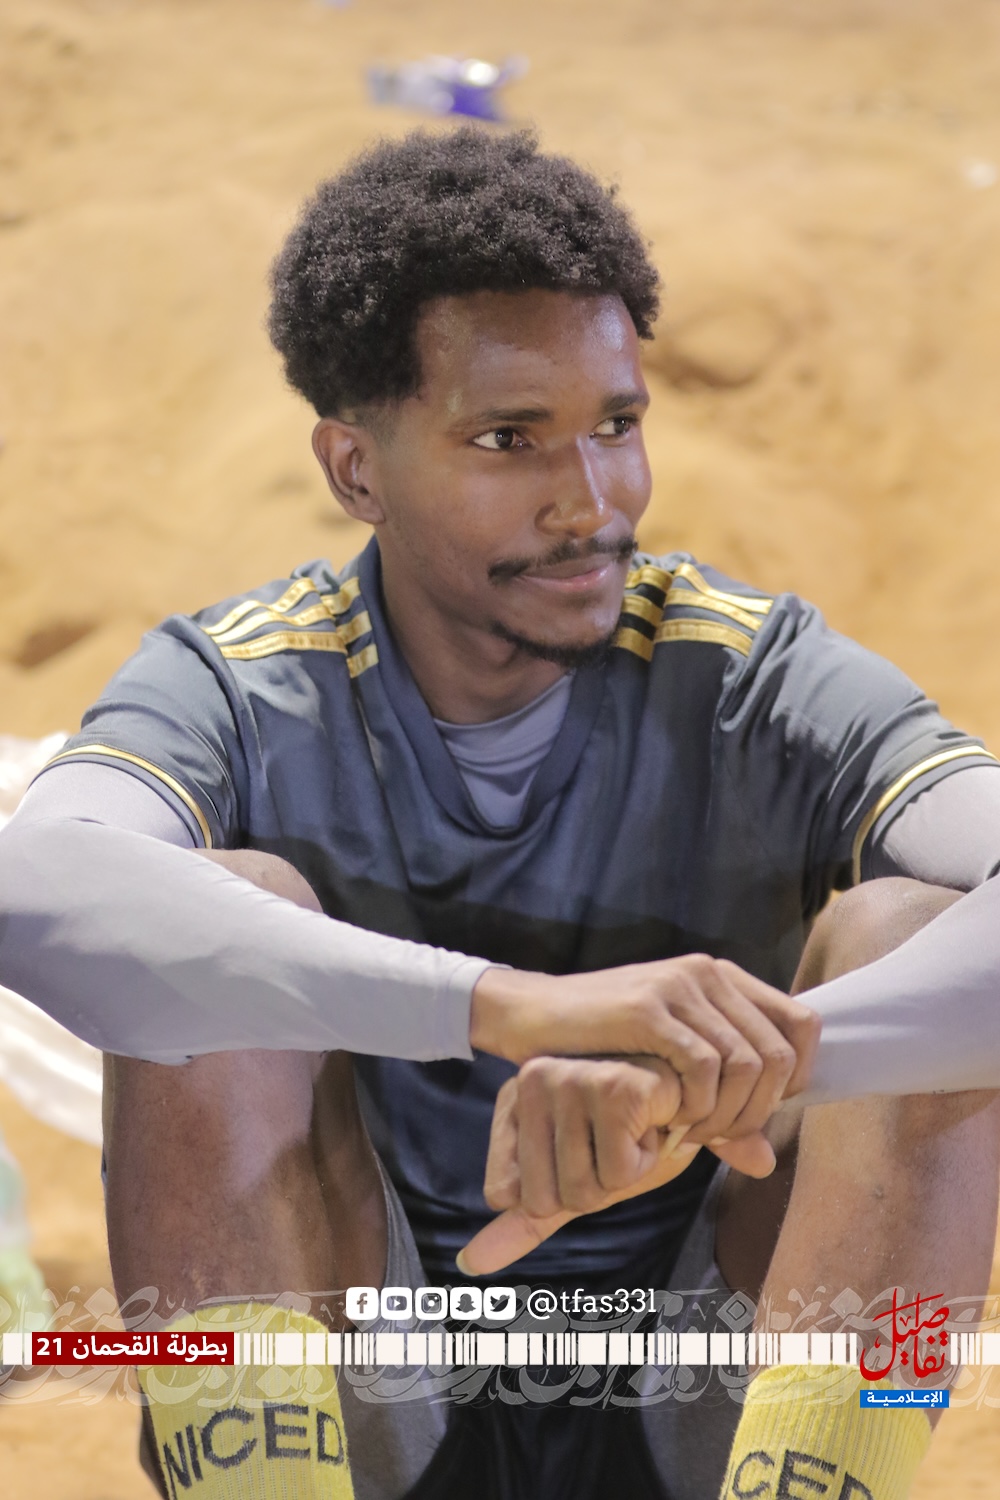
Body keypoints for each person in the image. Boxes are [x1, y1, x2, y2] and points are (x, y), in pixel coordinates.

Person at [1, 127, 999, 1500]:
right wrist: (513, 1010)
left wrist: (701, 1078)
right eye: (507, 439)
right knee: (218, 926)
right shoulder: (239, 682)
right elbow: (36, 887)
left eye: (616, 425)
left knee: (912, 933)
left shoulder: (757, 674)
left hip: (714, 1386)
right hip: (369, 1386)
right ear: (356, 470)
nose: (591, 501)